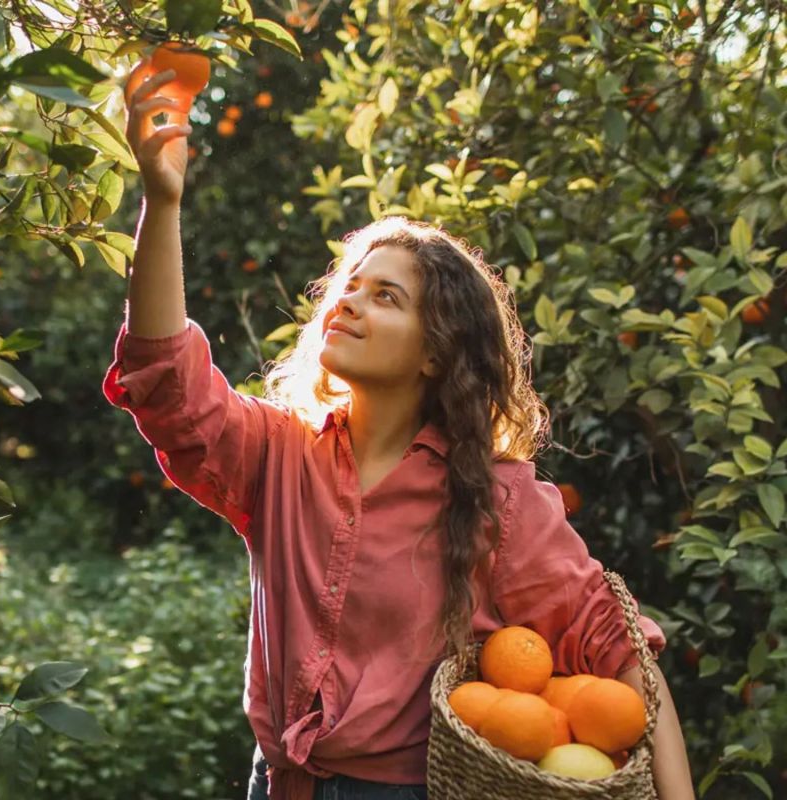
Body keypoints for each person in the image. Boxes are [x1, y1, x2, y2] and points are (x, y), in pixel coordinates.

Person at [107, 68, 696, 800]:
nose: (348, 302)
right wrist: (161, 203)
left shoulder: (495, 502)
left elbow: (622, 656)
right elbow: (166, 384)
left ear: (434, 353)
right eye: (350, 286)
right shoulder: (280, 455)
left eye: (385, 297)